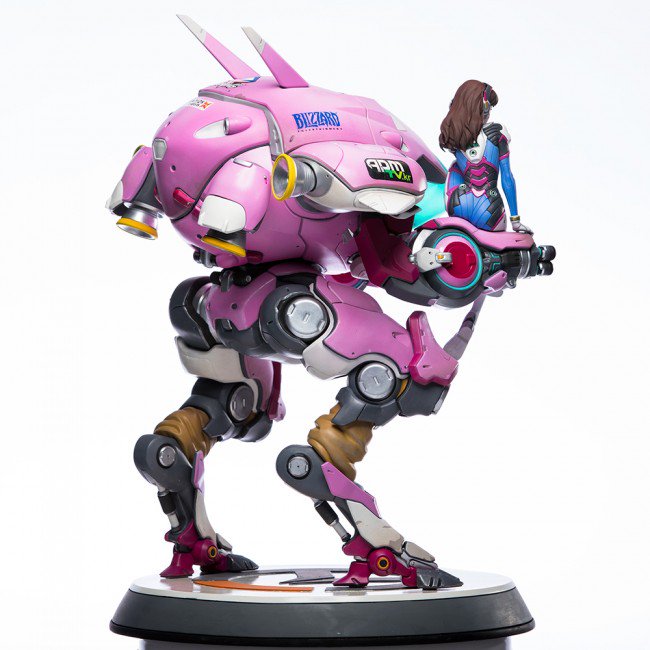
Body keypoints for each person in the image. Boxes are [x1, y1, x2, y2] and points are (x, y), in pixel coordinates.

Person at [439, 80, 533, 234]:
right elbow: (507, 177)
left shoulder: (453, 135)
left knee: (455, 166)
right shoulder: (497, 132)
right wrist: (515, 221)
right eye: (489, 107)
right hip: (490, 210)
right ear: (483, 106)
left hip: (459, 206)